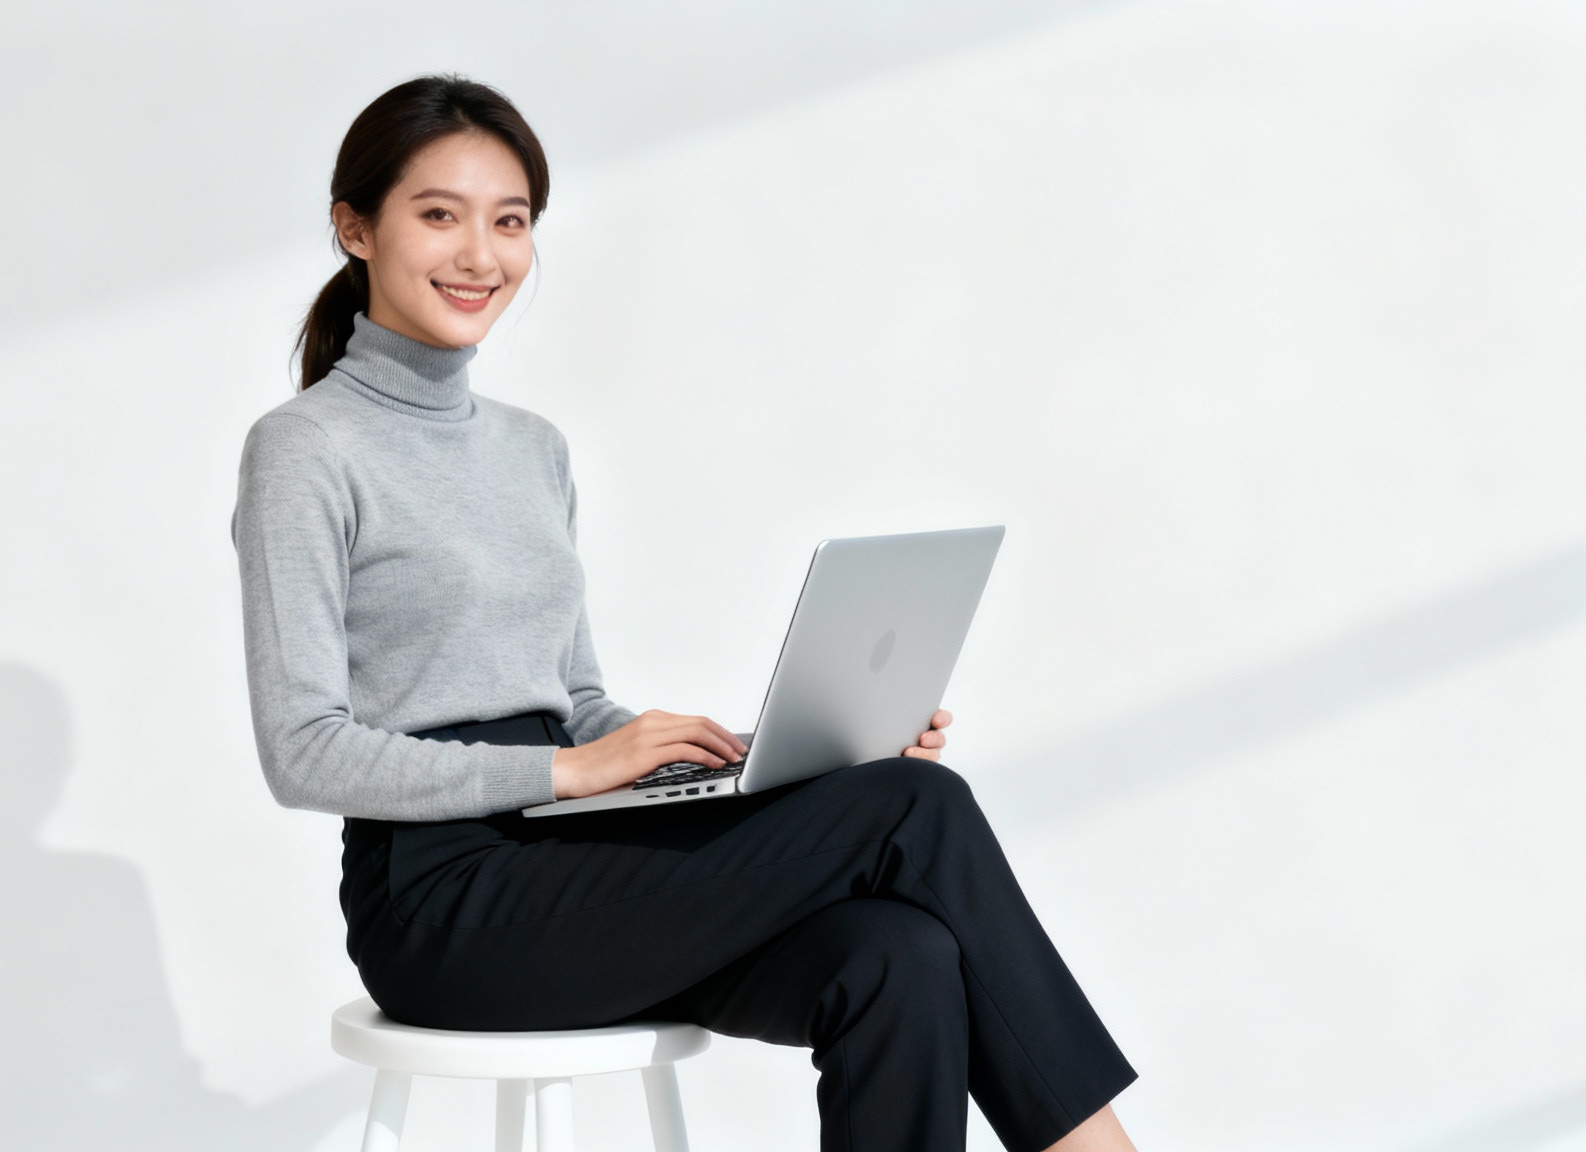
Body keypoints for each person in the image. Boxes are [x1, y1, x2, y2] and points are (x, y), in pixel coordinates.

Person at [233, 75, 1138, 1152]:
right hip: (440, 902)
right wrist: (563, 773)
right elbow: (303, 752)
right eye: (439, 214)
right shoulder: (305, 450)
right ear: (355, 227)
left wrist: (759, 756)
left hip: (568, 858)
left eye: (509, 221)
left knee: (899, 951)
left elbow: (569, 700)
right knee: (912, 809)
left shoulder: (531, 449)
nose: (480, 254)